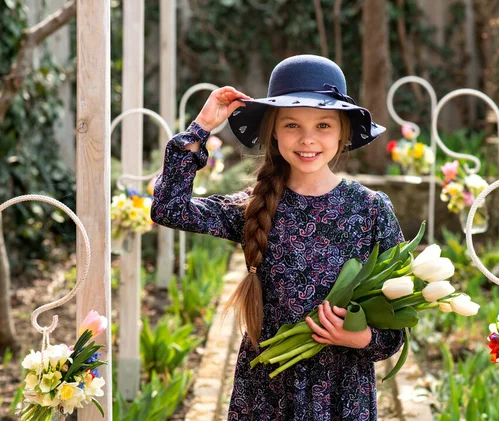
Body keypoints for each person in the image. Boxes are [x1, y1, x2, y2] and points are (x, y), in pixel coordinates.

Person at [151, 54, 405, 420]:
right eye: (291, 125)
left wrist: (358, 338)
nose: (307, 139)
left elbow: (397, 318)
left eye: (322, 125)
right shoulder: (252, 208)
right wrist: (202, 127)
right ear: (272, 130)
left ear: (342, 132)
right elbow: (168, 208)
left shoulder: (370, 210)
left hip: (340, 391)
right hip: (268, 387)